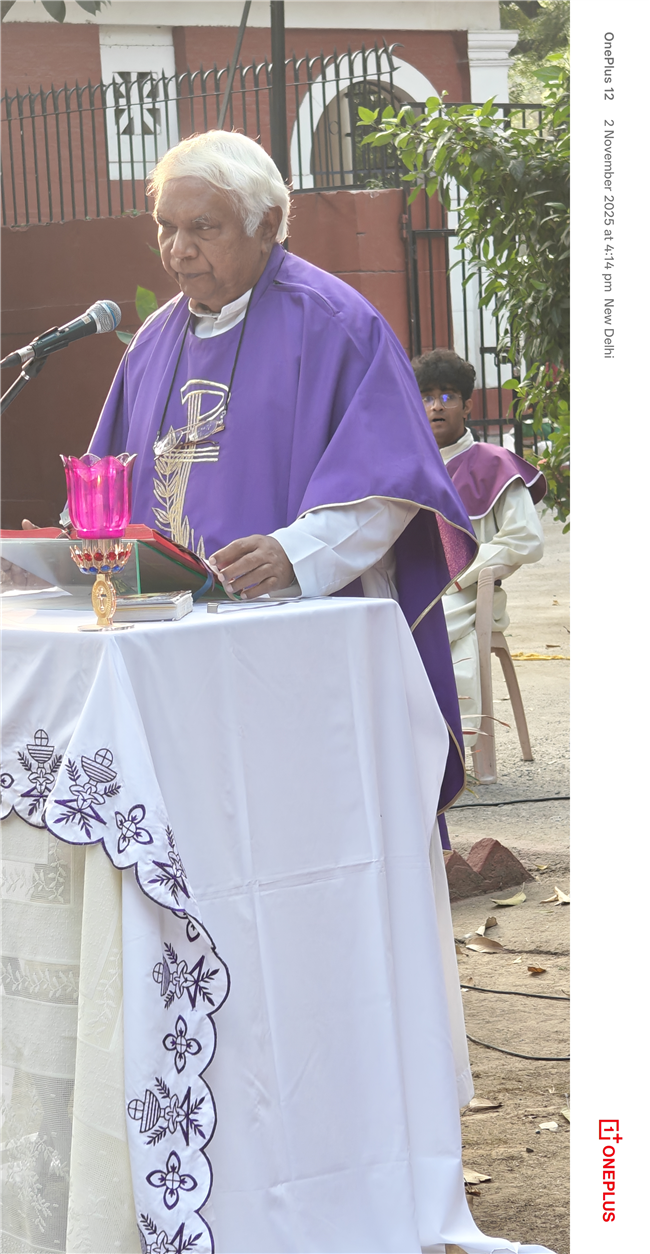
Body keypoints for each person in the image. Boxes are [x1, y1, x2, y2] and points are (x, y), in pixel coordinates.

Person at [87, 130, 479, 833]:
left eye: (202, 228)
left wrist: (293, 554)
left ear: (267, 225)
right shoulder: (152, 343)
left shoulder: (335, 324)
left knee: (298, 832)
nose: (178, 250)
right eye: (166, 228)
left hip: (297, 646)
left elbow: (388, 488)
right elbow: (106, 493)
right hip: (170, 651)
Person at [412, 347, 546, 756]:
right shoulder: (406, 468)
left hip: (471, 597)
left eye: (448, 397)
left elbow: (527, 539)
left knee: (425, 629)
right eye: (426, 397)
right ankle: (410, 751)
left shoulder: (495, 465)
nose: (436, 407)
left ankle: (451, 749)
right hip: (413, 587)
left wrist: (461, 572)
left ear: (468, 406)